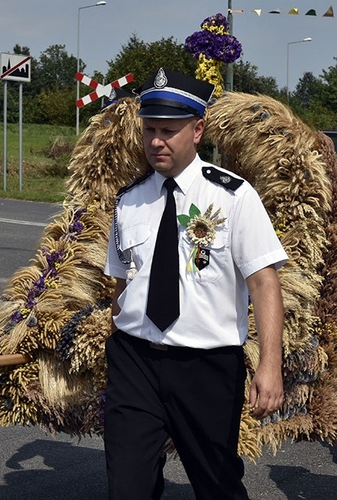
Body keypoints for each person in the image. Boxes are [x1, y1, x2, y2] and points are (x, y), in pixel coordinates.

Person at [103, 67, 287, 499]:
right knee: (127, 486)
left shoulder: (233, 196)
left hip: (206, 367)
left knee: (218, 484)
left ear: (198, 129)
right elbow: (119, 284)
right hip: (135, 362)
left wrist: (270, 366)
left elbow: (264, 283)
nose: (155, 141)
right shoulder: (129, 200)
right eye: (149, 130)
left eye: (168, 130)